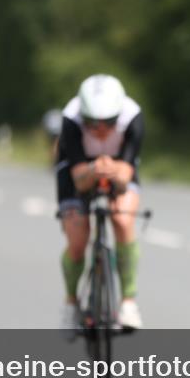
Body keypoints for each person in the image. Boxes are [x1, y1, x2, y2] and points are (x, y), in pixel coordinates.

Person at [55, 74, 146, 332]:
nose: (101, 129)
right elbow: (80, 180)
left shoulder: (133, 116)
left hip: (118, 163)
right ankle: (71, 302)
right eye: (92, 123)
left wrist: (113, 170)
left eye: (108, 122)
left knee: (122, 219)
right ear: (82, 114)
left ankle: (128, 302)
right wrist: (95, 169)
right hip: (78, 167)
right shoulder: (70, 119)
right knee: (77, 239)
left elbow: (127, 173)